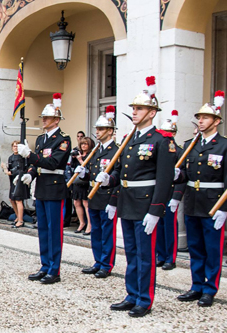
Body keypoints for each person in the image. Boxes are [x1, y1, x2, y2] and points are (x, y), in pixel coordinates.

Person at [96, 76, 175, 317]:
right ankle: (131, 294)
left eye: (139, 108)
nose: (135, 112)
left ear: (152, 113)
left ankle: (144, 298)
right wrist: (110, 180)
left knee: (145, 254)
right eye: (134, 108)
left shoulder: (162, 140)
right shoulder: (130, 140)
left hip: (146, 203)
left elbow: (164, 179)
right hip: (127, 201)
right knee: (130, 252)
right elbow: (122, 171)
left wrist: (156, 210)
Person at [172, 91, 227, 307]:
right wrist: (179, 176)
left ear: (217, 121)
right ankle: (196, 285)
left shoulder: (223, 145)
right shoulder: (190, 145)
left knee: (213, 249)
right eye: (199, 118)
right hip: (193, 201)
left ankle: (209, 289)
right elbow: (186, 174)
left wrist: (224, 208)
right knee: (195, 247)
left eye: (205, 117)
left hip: (214, 203)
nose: (201, 121)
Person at [17, 93, 72, 284]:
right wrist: (30, 174)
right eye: (43, 118)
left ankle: (54, 269)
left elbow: (52, 162)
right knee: (43, 230)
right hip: (40, 187)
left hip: (55, 189)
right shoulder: (41, 139)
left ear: (56, 120)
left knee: (54, 230)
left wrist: (30, 156)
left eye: (47, 118)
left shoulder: (63, 140)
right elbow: (38, 164)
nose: (44, 121)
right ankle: (45, 265)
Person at [75, 106, 119, 278]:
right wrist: (84, 173)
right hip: (93, 194)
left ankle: (107, 264)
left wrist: (114, 201)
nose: (97, 132)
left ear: (110, 131)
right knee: (96, 231)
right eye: (97, 129)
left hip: (107, 195)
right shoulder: (96, 150)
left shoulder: (116, 150)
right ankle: (98, 260)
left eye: (101, 129)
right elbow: (92, 173)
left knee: (107, 232)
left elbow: (118, 175)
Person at [155, 110, 182, 270]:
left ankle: (170, 258)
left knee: (170, 227)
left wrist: (176, 196)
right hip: (160, 193)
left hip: (171, 193)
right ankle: (161, 254)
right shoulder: (161, 149)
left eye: (169, 132)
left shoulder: (179, 151)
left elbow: (182, 175)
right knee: (158, 225)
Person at [71, 137, 94, 234]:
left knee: (86, 204)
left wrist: (81, 160)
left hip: (85, 182)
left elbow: (90, 168)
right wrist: (74, 158)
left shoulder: (91, 155)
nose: (83, 146)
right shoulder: (78, 154)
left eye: (86, 144)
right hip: (77, 181)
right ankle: (82, 223)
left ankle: (90, 224)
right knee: (76, 203)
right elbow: (72, 166)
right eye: (82, 144)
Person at [3, 140, 29, 227]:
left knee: (18, 200)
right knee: (12, 199)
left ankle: (21, 220)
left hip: (19, 180)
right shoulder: (11, 157)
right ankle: (18, 216)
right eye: (14, 146)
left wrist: (7, 171)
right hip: (12, 180)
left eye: (17, 146)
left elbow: (19, 170)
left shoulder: (22, 157)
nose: (15, 148)